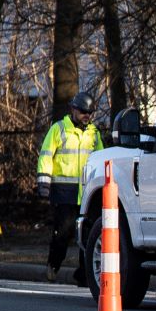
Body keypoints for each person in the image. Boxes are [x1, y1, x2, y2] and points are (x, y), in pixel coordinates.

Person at [38, 91, 100, 281]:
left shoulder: (94, 133)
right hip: (64, 192)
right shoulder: (58, 129)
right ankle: (53, 265)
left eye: (89, 112)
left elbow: (102, 159)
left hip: (88, 193)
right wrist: (44, 182)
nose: (86, 115)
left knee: (89, 235)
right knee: (62, 233)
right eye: (83, 111)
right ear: (73, 109)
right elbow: (46, 156)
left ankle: (84, 274)